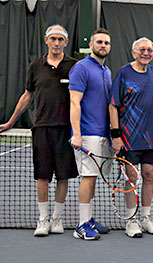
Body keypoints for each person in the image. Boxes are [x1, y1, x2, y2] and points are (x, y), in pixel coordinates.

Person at [0, 25, 79, 237]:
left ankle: (56, 218)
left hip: (66, 130)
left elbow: (81, 98)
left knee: (63, 176)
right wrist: (10, 122)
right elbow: (27, 96)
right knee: (42, 176)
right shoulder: (36, 66)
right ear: (46, 40)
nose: (56, 43)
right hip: (42, 128)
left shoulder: (74, 66)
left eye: (60, 39)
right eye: (52, 39)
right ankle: (43, 219)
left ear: (65, 41)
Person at [109, 37, 153, 238]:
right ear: (134, 52)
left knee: (149, 176)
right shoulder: (123, 74)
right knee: (132, 178)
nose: (146, 53)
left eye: (149, 50)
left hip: (151, 138)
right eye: (142, 49)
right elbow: (113, 105)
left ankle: (145, 217)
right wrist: (116, 135)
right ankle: (131, 220)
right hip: (129, 138)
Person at [69, 28, 113, 240]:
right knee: (88, 177)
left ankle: (90, 219)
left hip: (104, 133)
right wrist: (76, 134)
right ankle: (81, 225)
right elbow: (74, 102)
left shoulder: (107, 71)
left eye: (106, 43)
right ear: (92, 45)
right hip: (87, 133)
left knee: (93, 178)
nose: (103, 45)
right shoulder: (81, 68)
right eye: (99, 42)